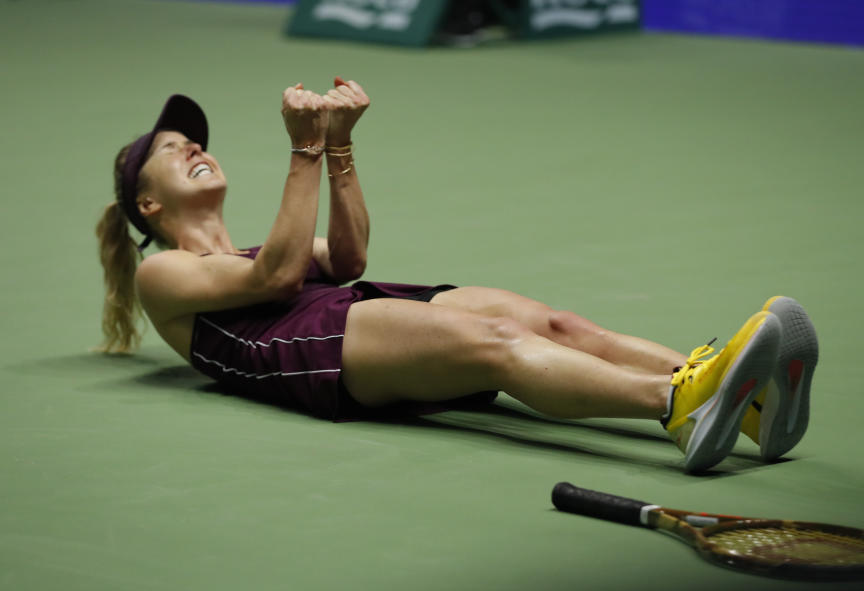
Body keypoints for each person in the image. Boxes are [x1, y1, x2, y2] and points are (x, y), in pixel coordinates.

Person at [94, 79, 818, 473]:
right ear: (148, 204)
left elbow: (345, 262)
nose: (193, 144)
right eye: (170, 147)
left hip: (343, 307)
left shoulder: (252, 250)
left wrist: (339, 149)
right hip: (307, 350)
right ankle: (676, 405)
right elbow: (283, 279)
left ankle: (742, 401)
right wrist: (305, 150)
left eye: (194, 138)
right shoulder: (164, 276)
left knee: (553, 323)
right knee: (497, 341)